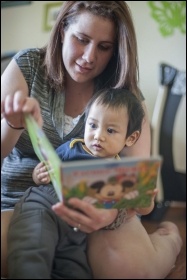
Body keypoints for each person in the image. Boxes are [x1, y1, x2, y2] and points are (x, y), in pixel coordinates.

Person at [1, 1, 182, 279]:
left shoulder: (124, 98)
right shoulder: (27, 66)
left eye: (104, 47)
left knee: (127, 271)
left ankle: (168, 240)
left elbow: (133, 184)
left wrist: (108, 213)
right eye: (81, 40)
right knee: (24, 257)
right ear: (62, 30)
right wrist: (13, 124)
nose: (88, 57)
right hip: (23, 200)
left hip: (101, 206)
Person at [8, 89, 182, 279]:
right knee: (33, 248)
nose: (98, 136)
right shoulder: (73, 148)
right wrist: (38, 174)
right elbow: (47, 166)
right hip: (48, 205)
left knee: (75, 270)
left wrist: (146, 200)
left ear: (130, 138)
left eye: (110, 130)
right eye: (92, 125)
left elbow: (143, 208)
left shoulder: (123, 172)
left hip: (79, 230)